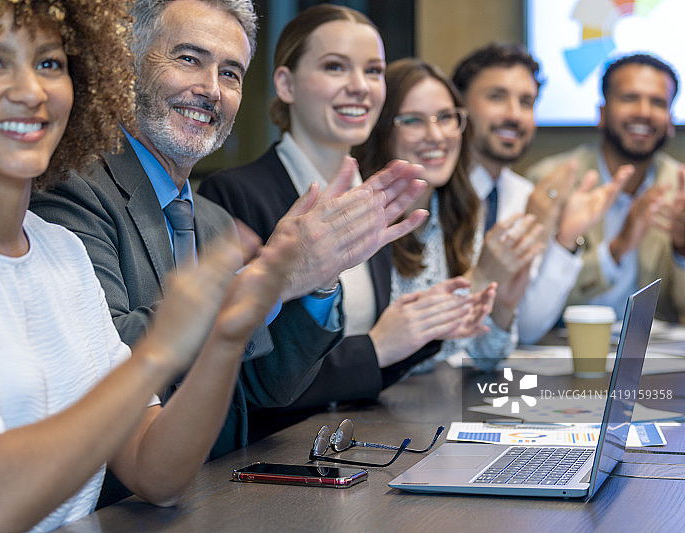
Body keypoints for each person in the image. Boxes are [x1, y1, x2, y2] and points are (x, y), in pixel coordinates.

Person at [0, 1, 302, 532]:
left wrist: (222, 337)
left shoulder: (62, 252)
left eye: (49, 64)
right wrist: (157, 353)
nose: (30, 91)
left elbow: (156, 472)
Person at [30, 0, 426, 479]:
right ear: (127, 65)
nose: (211, 90)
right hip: (121, 501)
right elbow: (106, 357)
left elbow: (265, 388)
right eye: (189, 59)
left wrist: (319, 279)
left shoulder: (213, 219)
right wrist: (268, 281)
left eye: (231, 73)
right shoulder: (70, 189)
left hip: (222, 490)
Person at [200, 3, 495, 421]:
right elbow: (248, 383)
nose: (360, 86)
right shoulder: (234, 194)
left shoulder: (371, 196)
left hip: (359, 437)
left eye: (373, 71)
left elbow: (375, 354)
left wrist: (429, 327)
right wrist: (378, 347)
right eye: (336, 67)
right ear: (286, 83)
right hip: (273, 456)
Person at [356, 57, 542, 369]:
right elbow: (397, 358)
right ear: (381, 131)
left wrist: (504, 306)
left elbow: (485, 356)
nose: (437, 136)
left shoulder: (459, 211)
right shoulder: (363, 220)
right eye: (413, 120)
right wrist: (481, 277)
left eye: (446, 117)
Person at [451, 43, 631, 343]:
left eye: (526, 102)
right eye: (496, 97)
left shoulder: (526, 196)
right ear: (460, 104)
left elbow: (528, 328)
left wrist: (565, 240)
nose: (514, 115)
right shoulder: (432, 189)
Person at [527, 53, 685, 322]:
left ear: (670, 121)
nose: (644, 112)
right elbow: (532, 305)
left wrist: (682, 249)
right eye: (629, 98)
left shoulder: (679, 191)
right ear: (601, 113)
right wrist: (618, 248)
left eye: (658, 102)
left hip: (655, 356)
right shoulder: (552, 182)